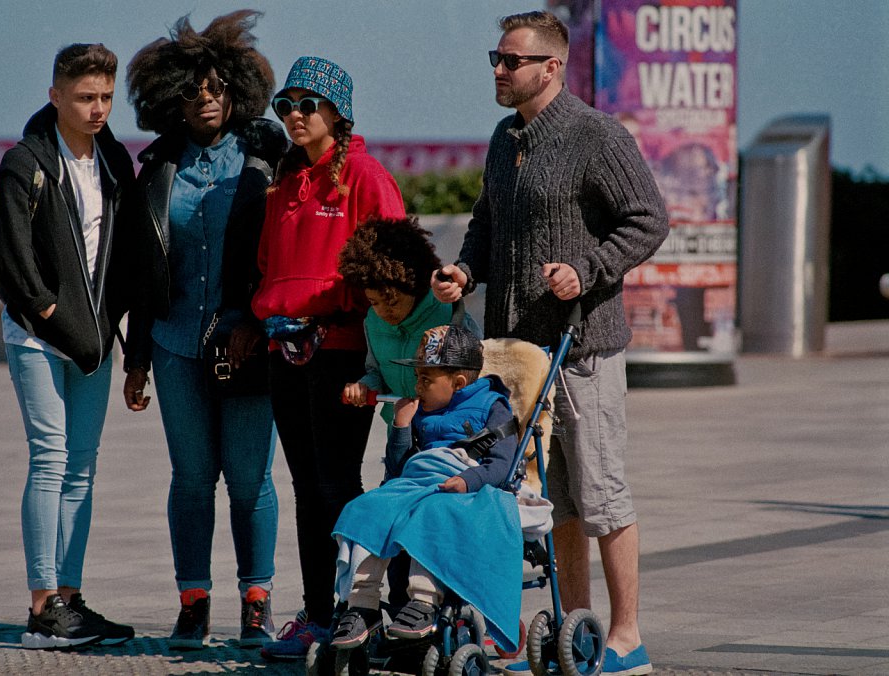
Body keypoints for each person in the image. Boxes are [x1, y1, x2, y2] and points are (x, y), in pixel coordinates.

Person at [432, 11, 669, 676]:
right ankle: (576, 629)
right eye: (496, 58)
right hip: (518, 360)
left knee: (602, 496)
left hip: (582, 351)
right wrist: (465, 271)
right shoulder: (504, 138)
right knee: (552, 502)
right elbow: (486, 222)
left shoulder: (597, 135)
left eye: (512, 61)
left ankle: (627, 638)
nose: (500, 70)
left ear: (551, 67)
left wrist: (587, 270)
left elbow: (648, 219)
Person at [122, 11, 286, 649]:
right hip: (173, 345)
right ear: (171, 98)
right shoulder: (157, 168)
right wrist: (137, 359)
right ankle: (192, 603)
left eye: (217, 87)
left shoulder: (265, 158)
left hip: (248, 344)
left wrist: (256, 320)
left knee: (249, 480)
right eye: (192, 91)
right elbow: (142, 273)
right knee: (191, 478)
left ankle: (256, 602)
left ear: (238, 88)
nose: (206, 99)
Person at [251, 56, 406, 660]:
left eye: (307, 104)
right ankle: (318, 615)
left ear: (338, 113)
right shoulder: (284, 183)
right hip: (283, 350)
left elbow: (395, 265)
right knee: (305, 487)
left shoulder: (365, 175)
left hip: (340, 349)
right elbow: (268, 267)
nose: (294, 115)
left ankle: (356, 614)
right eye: (285, 105)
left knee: (337, 482)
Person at [0, 43, 136, 649]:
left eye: (106, 97)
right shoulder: (25, 162)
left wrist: (118, 333)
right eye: (84, 97)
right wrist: (49, 312)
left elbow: (125, 253)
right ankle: (42, 606)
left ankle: (71, 599)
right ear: (55, 96)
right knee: (50, 459)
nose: (98, 109)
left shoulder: (115, 162)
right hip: (37, 337)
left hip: (94, 343)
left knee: (83, 466)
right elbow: (7, 256)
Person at [330, 325, 527, 654]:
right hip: (416, 481)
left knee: (432, 512)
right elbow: (398, 468)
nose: (417, 386)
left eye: (425, 379)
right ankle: (362, 604)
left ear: (458, 382)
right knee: (363, 509)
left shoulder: (492, 407)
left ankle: (423, 600)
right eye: (417, 377)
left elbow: (503, 464)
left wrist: (468, 480)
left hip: (463, 483)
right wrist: (401, 426)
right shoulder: (421, 409)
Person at [339, 216, 482, 433]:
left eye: (392, 301)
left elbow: (479, 372)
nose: (382, 311)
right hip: (400, 430)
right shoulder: (372, 322)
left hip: (449, 432)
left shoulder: (450, 315)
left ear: (413, 286)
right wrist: (365, 386)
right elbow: (376, 371)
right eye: (374, 302)